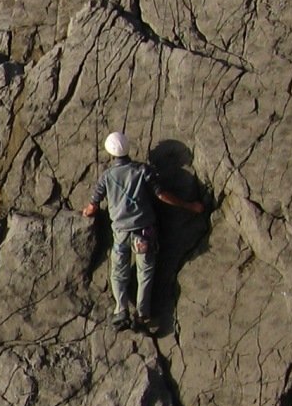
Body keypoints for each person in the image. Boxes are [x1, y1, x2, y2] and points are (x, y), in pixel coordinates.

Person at [82, 131, 206, 331]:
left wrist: (86, 212)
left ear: (110, 152)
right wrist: (190, 206)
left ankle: (120, 310)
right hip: (145, 232)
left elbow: (92, 207)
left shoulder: (106, 177)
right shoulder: (142, 171)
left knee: (118, 274)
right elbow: (162, 195)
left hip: (121, 234)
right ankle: (141, 316)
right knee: (144, 274)